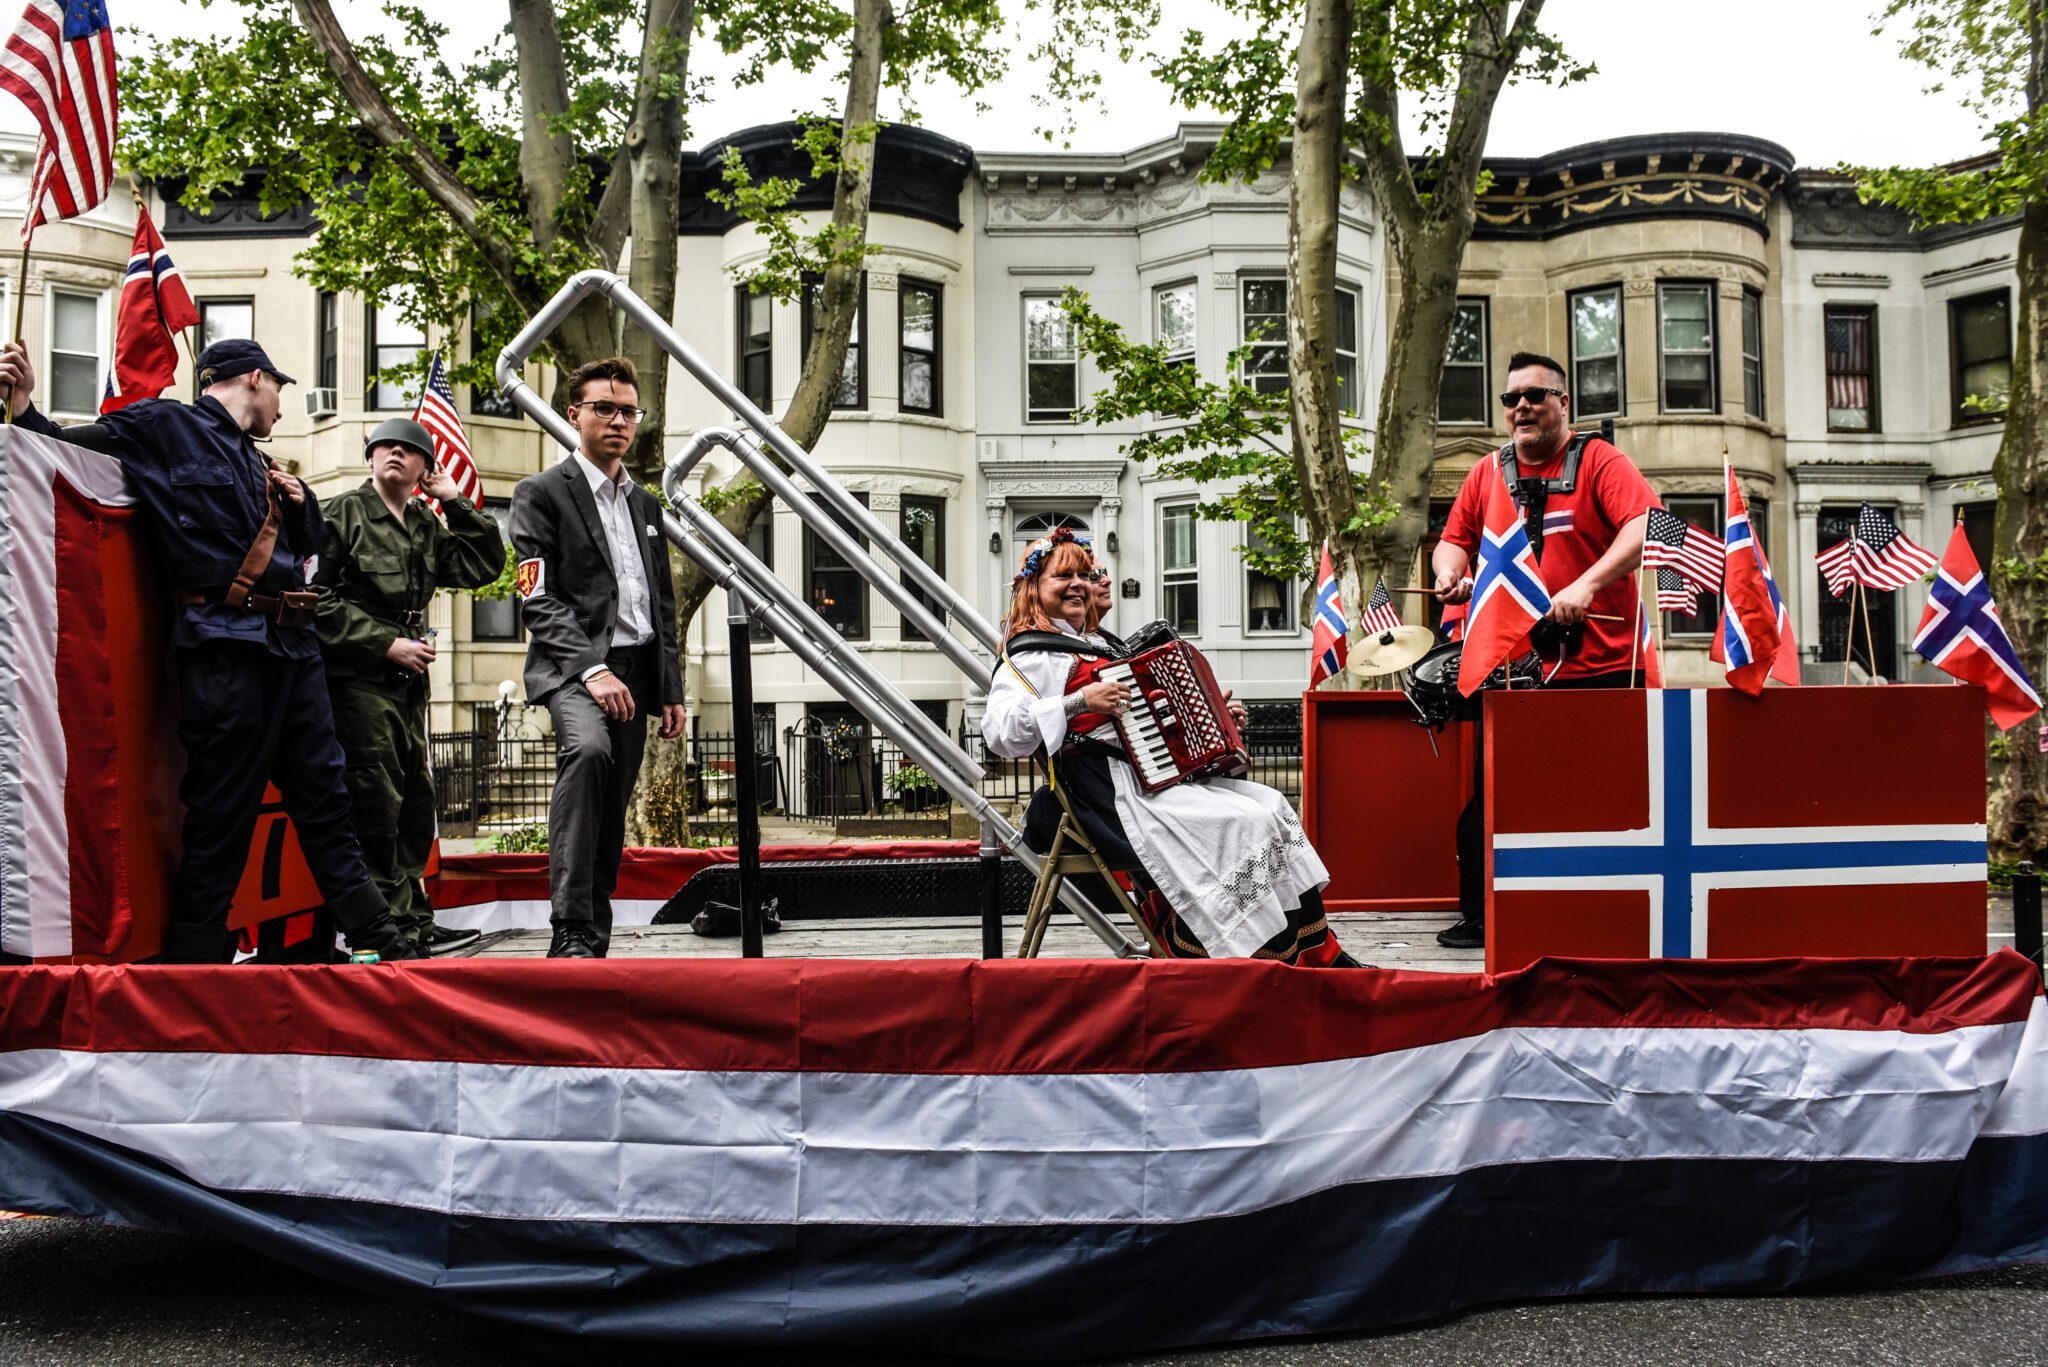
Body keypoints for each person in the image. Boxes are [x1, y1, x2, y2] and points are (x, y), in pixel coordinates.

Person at [0, 337, 421, 962]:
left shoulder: (265, 466)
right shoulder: (165, 424)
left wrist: (299, 503)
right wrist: (25, 405)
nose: (283, 405)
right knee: (223, 807)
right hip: (226, 649)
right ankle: (195, 962)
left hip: (294, 650)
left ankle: (379, 939)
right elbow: (65, 452)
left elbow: (313, 547)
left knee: (325, 798)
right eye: (280, 387)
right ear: (256, 377)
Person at [983, 529, 1355, 965]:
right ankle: (1240, 956)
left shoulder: (1097, 645)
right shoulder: (1032, 654)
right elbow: (999, 732)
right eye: (1062, 575)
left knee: (1271, 804)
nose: (1079, 584)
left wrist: (1211, 723)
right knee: (1244, 824)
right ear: (1032, 587)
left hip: (1145, 782)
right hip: (1105, 795)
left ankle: (1315, 952)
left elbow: (1146, 723)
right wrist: (1079, 701)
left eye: (1084, 575)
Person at [1428, 350, 1660, 949]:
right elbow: (1453, 541)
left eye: (1535, 395)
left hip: (1603, 669)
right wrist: (1449, 573)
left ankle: (1606, 915)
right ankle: (1484, 916)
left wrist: (1585, 585)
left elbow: (1648, 526)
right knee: (1496, 797)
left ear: (1564, 404)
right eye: (1511, 399)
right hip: (1513, 674)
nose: (1522, 407)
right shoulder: (1487, 473)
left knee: (1603, 797)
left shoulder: (1599, 461)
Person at [509, 356, 685, 959]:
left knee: (613, 808)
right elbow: (536, 596)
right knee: (587, 753)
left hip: (638, 672)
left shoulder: (646, 504)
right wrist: (593, 667)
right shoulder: (540, 493)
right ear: (574, 414)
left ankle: (594, 939)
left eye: (628, 411)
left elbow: (662, 601)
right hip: (574, 669)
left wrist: (671, 687)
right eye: (604, 408)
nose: (618, 420)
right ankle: (569, 928)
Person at [312, 417, 505, 956]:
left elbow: (482, 566)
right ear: (370, 458)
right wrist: (383, 643)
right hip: (358, 677)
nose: (394, 454)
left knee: (416, 803)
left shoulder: (424, 521)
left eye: (408, 450)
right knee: (376, 800)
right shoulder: (342, 513)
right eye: (384, 448)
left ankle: (417, 921)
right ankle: (385, 926)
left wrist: (456, 500)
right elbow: (314, 599)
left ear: (425, 467)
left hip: (407, 679)